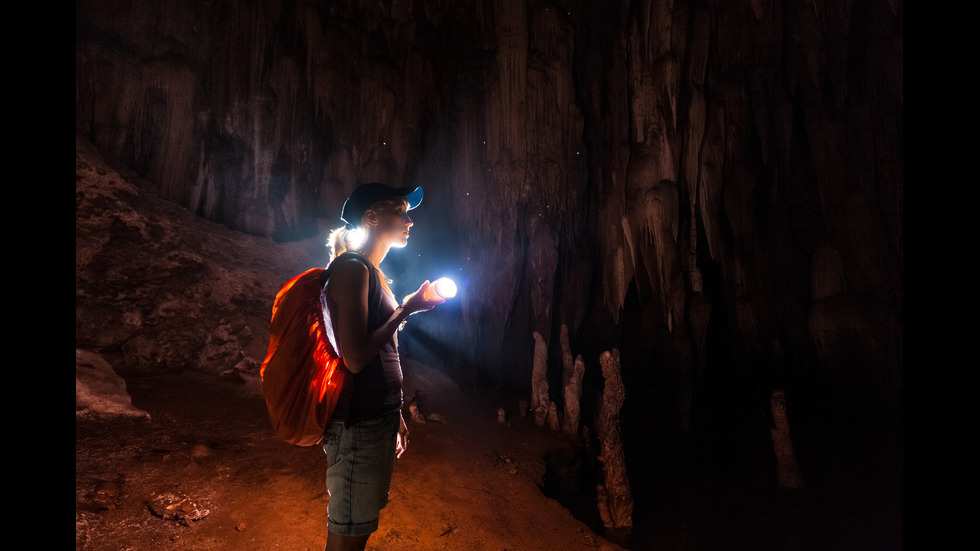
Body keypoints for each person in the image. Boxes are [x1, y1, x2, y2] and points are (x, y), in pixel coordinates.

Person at [320, 182, 444, 551]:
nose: (409, 221)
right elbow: (356, 358)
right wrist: (406, 310)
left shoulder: (372, 274)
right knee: (346, 539)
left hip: (376, 418)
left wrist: (396, 415)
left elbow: (382, 351)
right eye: (401, 212)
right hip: (357, 423)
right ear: (372, 217)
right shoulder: (352, 270)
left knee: (358, 530)